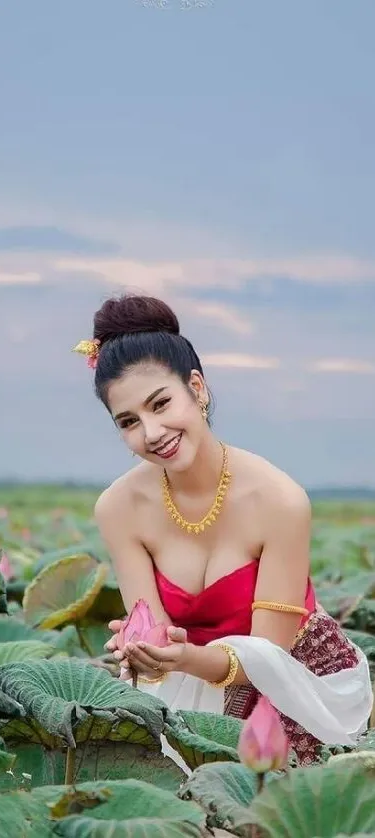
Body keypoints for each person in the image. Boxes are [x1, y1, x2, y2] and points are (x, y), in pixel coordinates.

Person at [74, 293, 372, 767]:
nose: (151, 433)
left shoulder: (280, 500)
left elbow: (267, 658)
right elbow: (149, 629)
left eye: (161, 404)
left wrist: (181, 657)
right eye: (129, 422)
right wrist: (140, 650)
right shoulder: (118, 507)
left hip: (294, 682)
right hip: (184, 681)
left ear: (197, 388)